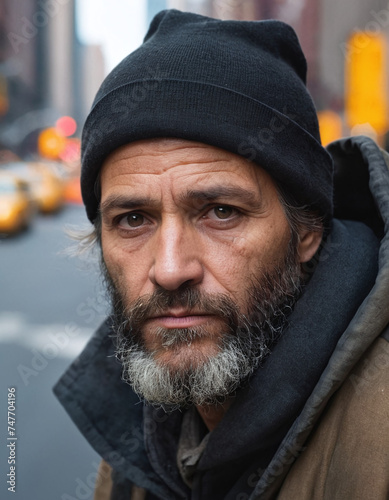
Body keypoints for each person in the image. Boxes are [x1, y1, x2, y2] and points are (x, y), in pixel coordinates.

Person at [54, 9, 389, 500]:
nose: (170, 269)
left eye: (221, 212)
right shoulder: (137, 424)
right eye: (132, 220)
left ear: (307, 231)